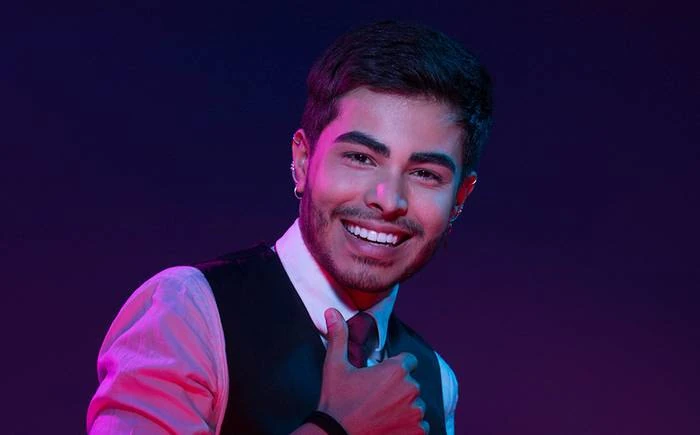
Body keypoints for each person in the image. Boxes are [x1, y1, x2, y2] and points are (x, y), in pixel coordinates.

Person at [87, 20, 492, 435]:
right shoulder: (188, 311)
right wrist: (335, 428)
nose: (389, 200)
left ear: (460, 198)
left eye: (425, 174)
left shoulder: (436, 382)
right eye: (360, 158)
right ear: (302, 161)